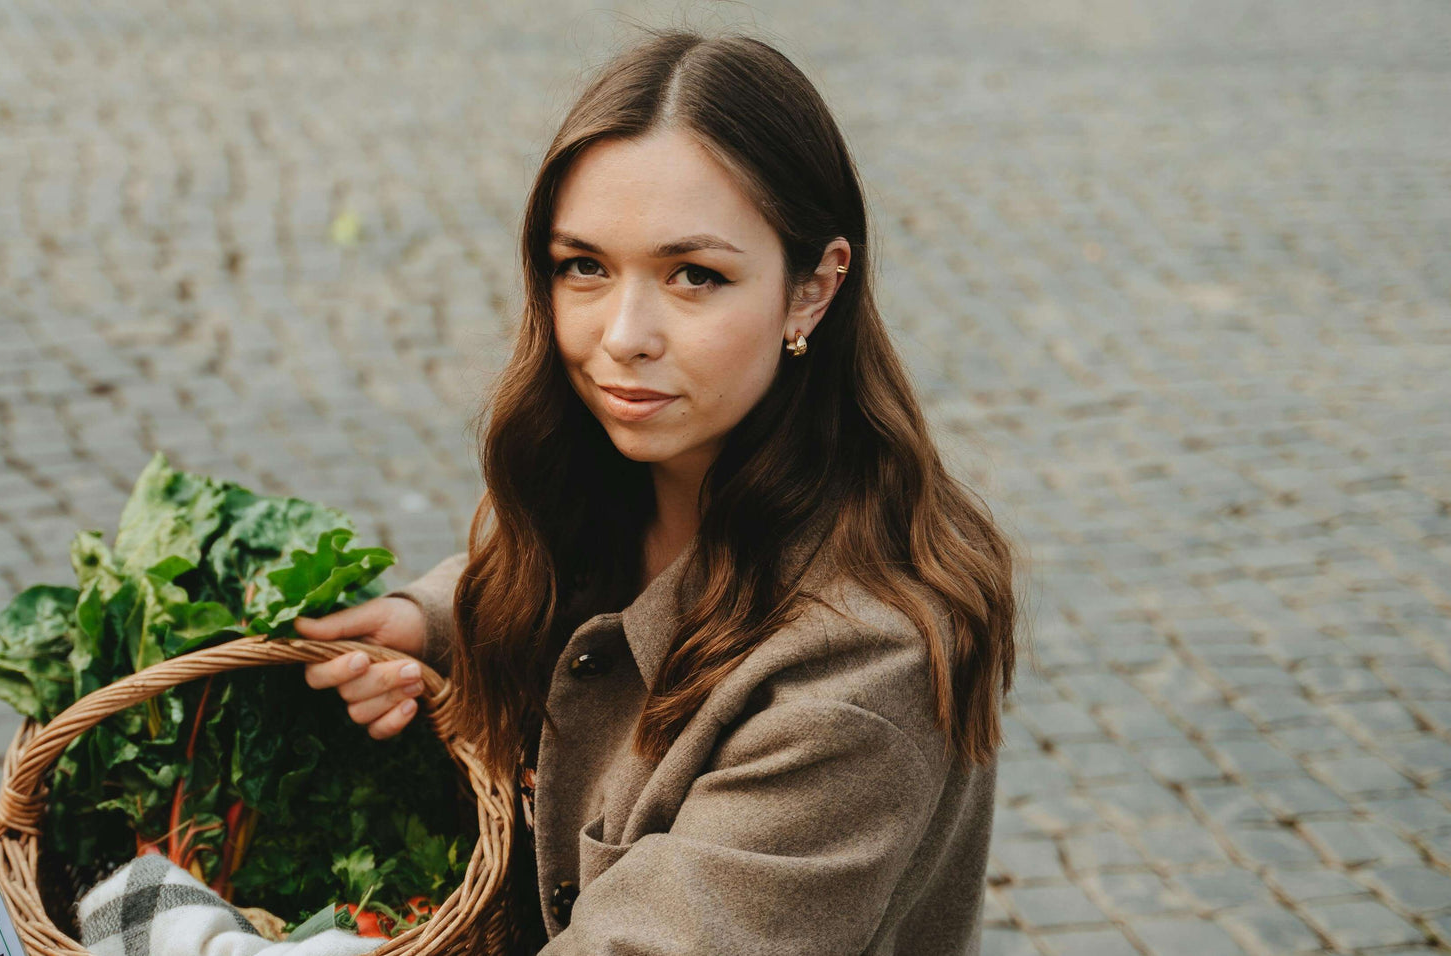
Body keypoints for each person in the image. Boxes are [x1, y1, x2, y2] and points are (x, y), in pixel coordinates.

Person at [295, 30, 1017, 956]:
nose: (623, 335)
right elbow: (540, 573)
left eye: (695, 276)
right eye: (584, 266)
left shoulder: (863, 672)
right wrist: (429, 621)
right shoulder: (619, 480)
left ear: (813, 289)